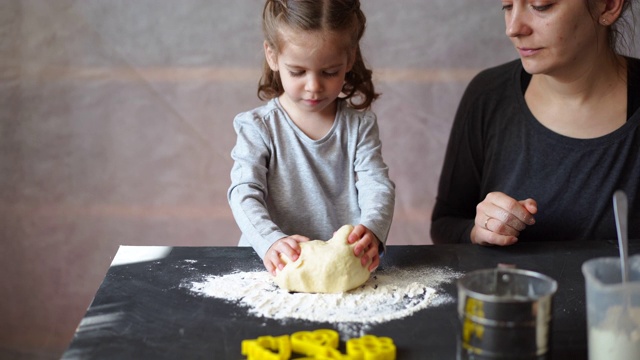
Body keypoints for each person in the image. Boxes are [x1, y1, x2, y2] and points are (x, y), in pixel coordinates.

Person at [432, 0, 640, 245]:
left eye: (541, 6)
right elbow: (445, 224)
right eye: (507, 6)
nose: (513, 28)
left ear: (608, 6)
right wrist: (479, 231)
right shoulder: (487, 95)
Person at [228, 0, 395, 275]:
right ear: (272, 56)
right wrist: (271, 241)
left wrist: (373, 229)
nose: (314, 86)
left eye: (330, 72)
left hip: (338, 267)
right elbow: (244, 192)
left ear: (350, 59)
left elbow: (376, 184)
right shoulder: (258, 127)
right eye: (297, 72)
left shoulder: (359, 126)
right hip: (269, 267)